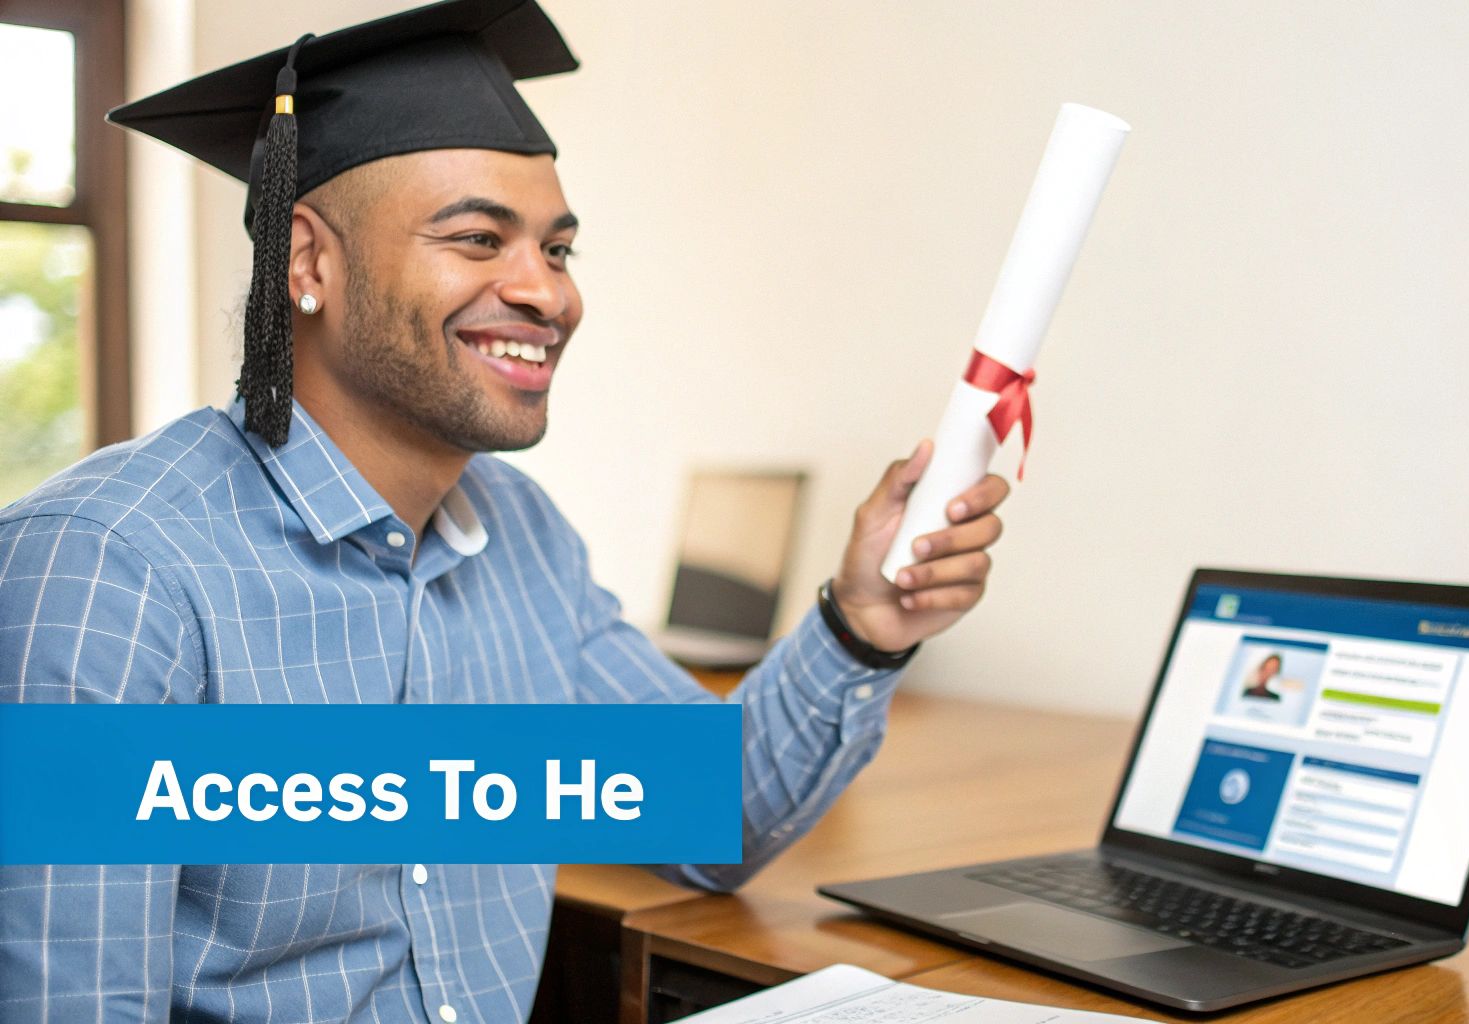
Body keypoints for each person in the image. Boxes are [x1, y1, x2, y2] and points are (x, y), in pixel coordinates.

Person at [0, 2, 1008, 1020]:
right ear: (309, 261)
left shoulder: (521, 540)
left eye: (558, 250)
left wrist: (863, 624)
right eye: (478, 238)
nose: (546, 293)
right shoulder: (110, 570)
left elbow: (711, 812)